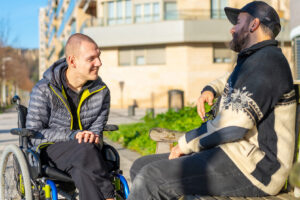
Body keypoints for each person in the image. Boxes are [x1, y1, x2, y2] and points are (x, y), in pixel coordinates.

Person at [128, 1, 297, 199]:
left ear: (253, 25)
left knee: (151, 177)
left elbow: (233, 126)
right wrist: (211, 89)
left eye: (239, 22)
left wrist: (184, 144)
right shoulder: (255, 60)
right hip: (236, 154)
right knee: (141, 166)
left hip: (257, 169)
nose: (232, 28)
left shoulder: (267, 62)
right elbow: (231, 79)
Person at [26, 33, 114, 200]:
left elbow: (97, 131)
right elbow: (34, 133)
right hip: (50, 152)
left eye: (99, 56)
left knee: (83, 164)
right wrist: (74, 135)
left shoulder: (101, 92)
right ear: (73, 61)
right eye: (91, 59)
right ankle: (109, 196)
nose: (99, 63)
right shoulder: (45, 89)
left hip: (86, 155)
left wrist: (93, 138)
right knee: (84, 149)